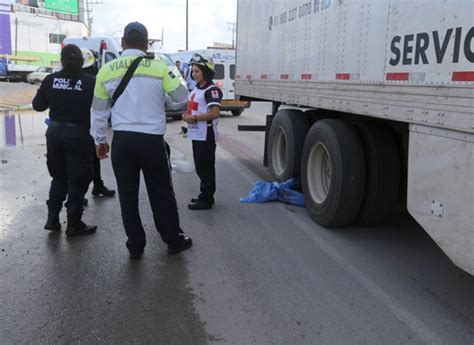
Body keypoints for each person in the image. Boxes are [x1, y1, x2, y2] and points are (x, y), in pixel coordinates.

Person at [90, 22, 192, 259]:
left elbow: (98, 112)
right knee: (161, 193)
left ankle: (135, 245)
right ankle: (173, 240)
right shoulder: (158, 66)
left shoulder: (106, 70)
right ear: (147, 44)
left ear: (123, 42)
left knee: (127, 195)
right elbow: (181, 98)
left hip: (123, 142)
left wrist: (99, 141)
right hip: (151, 142)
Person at [32, 44, 97, 237]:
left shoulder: (51, 80)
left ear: (61, 61)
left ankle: (52, 219)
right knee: (79, 178)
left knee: (59, 177)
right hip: (78, 135)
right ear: (82, 62)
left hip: (54, 134)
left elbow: (37, 105)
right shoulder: (90, 82)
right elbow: (102, 109)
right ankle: (74, 223)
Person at [182, 53, 223, 210]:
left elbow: (214, 113)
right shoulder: (196, 89)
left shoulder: (211, 90)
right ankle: (205, 195)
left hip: (206, 134)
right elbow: (194, 109)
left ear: (205, 72)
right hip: (196, 134)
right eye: (193, 71)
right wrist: (187, 116)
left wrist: (194, 118)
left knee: (206, 167)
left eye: (197, 71)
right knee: (200, 166)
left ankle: (206, 198)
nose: (194, 74)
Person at [81, 48, 116, 199]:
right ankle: (84, 192)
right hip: (87, 125)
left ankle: (96, 185)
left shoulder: (72, 79)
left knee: (87, 160)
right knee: (90, 159)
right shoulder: (92, 81)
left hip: (81, 124)